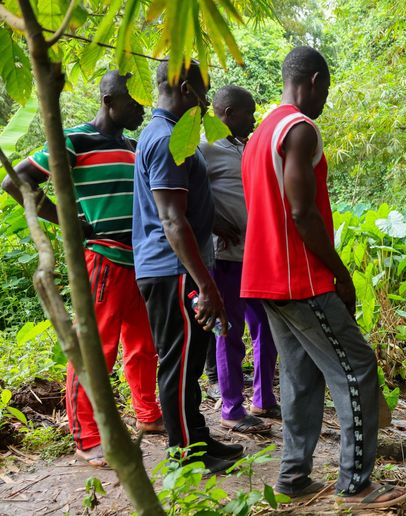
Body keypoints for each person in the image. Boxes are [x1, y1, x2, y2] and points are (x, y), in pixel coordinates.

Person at [240, 45, 406, 509]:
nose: (325, 100)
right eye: (327, 89)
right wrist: (339, 273)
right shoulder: (298, 128)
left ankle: (293, 478)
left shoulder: (258, 136)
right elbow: (301, 212)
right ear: (313, 80)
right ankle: (357, 484)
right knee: (356, 369)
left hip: (264, 278)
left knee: (300, 376)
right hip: (299, 278)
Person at [1, 71, 164, 467]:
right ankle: (88, 436)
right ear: (109, 100)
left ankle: (148, 414)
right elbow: (15, 181)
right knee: (96, 349)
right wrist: (68, 221)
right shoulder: (73, 139)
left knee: (143, 346)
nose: (141, 109)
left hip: (139, 259)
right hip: (103, 259)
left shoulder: (131, 145)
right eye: (133, 102)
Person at [132, 60, 242, 473]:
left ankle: (198, 437)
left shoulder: (174, 136)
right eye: (201, 93)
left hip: (178, 269)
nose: (205, 103)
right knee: (178, 365)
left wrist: (216, 223)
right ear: (185, 91)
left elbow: (186, 205)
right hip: (171, 270)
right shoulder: (165, 140)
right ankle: (184, 454)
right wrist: (206, 284)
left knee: (191, 363)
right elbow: (172, 221)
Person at [200, 85, 278, 434]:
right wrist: (215, 221)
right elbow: (189, 194)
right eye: (249, 112)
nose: (254, 118)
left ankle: (263, 397)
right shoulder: (203, 147)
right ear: (229, 114)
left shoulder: (242, 146)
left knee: (266, 327)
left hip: (257, 256)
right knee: (229, 332)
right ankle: (232, 408)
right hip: (225, 257)